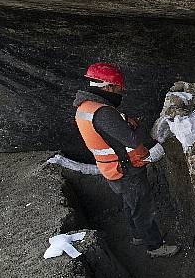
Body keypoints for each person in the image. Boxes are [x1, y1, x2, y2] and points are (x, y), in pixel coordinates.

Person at [73, 62, 180, 258]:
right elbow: (132, 140)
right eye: (118, 88)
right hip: (127, 169)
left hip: (112, 170)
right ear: (107, 86)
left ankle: (137, 236)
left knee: (130, 203)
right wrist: (152, 152)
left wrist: (122, 118)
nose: (120, 92)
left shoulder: (86, 107)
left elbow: (106, 128)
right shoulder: (104, 113)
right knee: (143, 208)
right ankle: (155, 246)